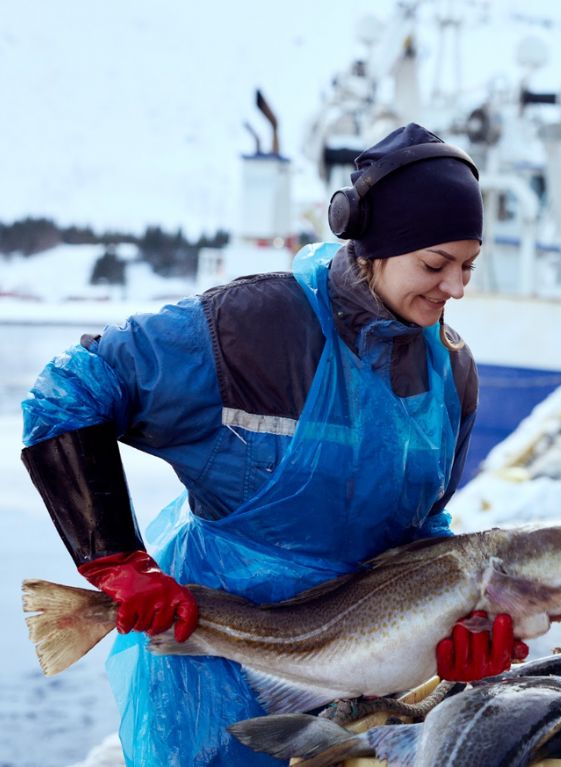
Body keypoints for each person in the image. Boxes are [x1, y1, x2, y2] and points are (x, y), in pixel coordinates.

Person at [20, 123, 527, 767]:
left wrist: (460, 622)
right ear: (373, 243)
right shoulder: (251, 329)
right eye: (435, 264)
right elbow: (69, 391)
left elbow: (421, 531)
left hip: (358, 677)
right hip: (210, 665)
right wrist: (116, 562)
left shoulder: (449, 373)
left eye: (467, 266)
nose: (455, 288)